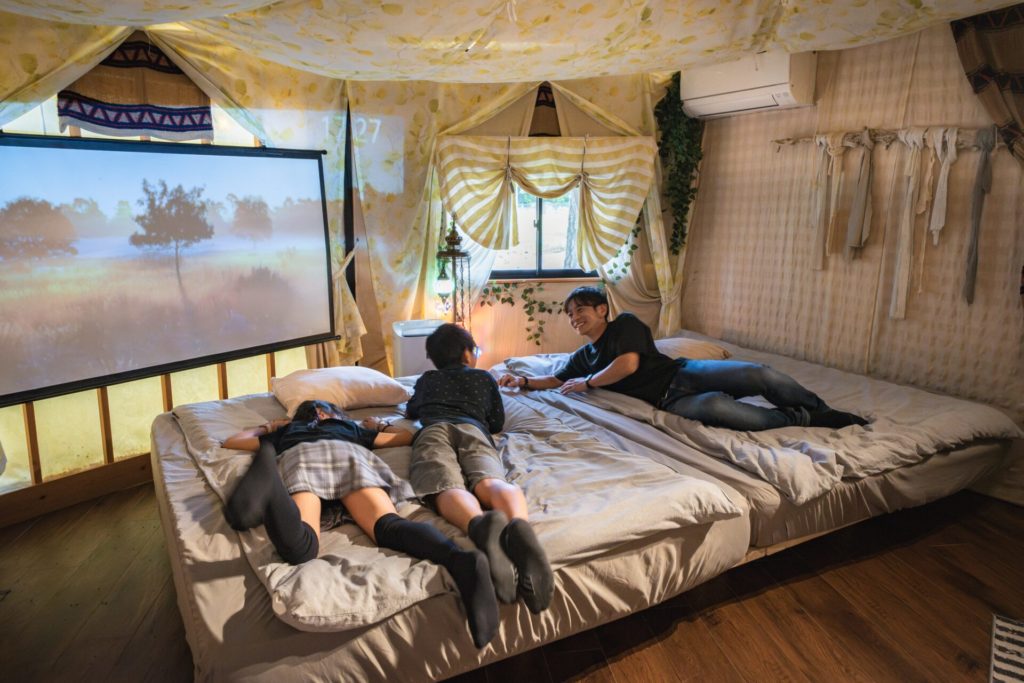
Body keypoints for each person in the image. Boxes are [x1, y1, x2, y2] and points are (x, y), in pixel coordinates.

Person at [222, 399, 498, 648]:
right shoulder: (350, 428)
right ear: (326, 413)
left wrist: (269, 428)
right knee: (389, 526)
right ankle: (461, 559)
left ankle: (270, 478)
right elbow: (405, 437)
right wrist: (379, 425)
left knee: (302, 548)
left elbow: (233, 441)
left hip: (301, 457)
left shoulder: (287, 432)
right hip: (351, 456)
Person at [498, 286, 868, 432]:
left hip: (684, 373)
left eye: (580, 310)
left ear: (601, 310)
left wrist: (590, 383)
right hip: (669, 400)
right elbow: (557, 379)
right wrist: (524, 381)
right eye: (569, 314)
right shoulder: (583, 355)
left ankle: (820, 409)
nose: (574, 317)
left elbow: (628, 365)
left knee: (759, 374)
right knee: (724, 411)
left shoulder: (625, 324)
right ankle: (799, 418)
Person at [405, 323, 554, 614]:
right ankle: (518, 526)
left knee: (444, 483)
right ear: (467, 353)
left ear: (435, 359)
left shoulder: (427, 379)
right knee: (490, 482)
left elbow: (412, 410)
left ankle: (478, 524)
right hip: (473, 429)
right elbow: (496, 421)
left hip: (434, 429)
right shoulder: (484, 377)